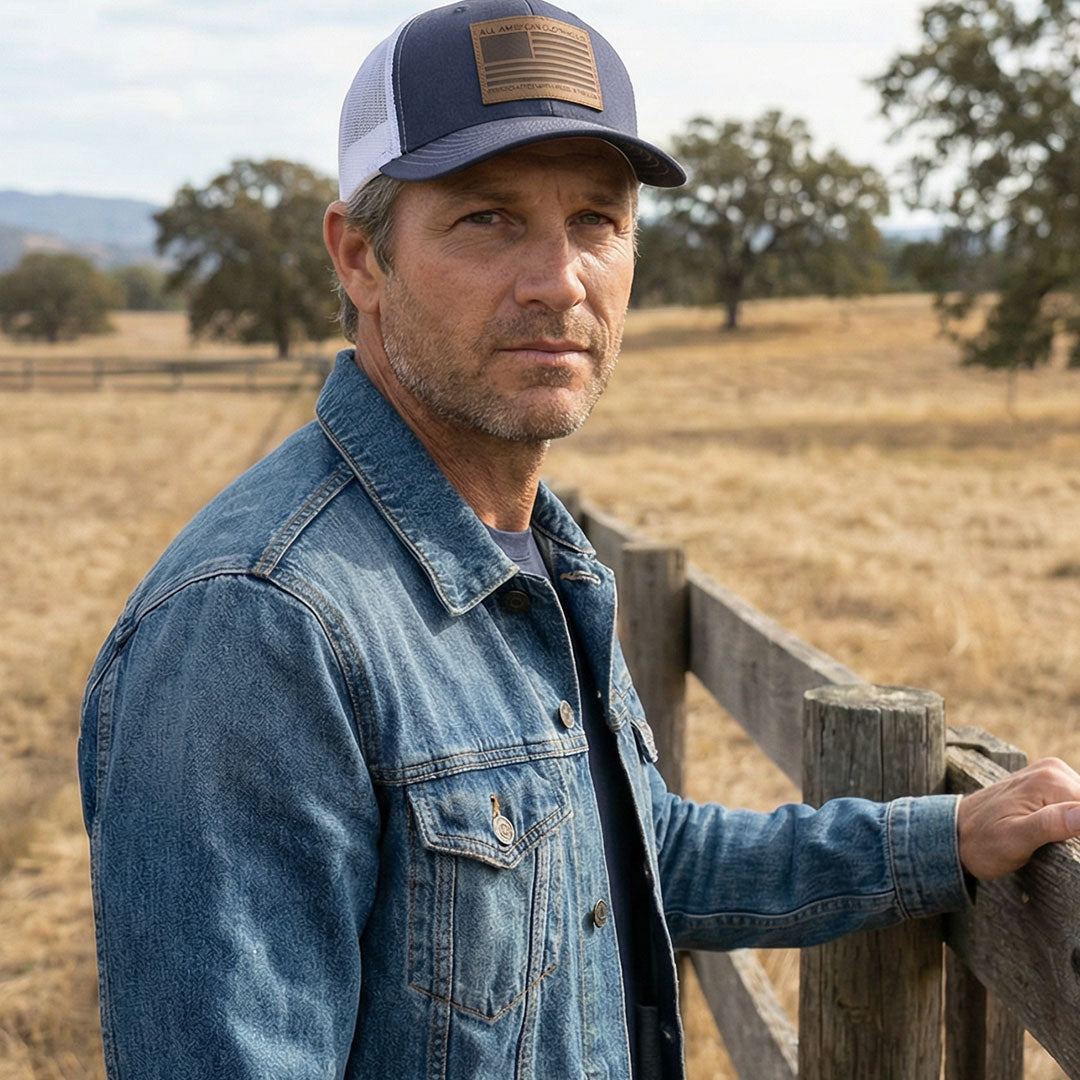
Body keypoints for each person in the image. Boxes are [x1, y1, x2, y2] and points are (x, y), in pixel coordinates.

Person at [77, 2, 1080, 1078]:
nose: (559, 280)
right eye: (487, 219)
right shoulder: (258, 626)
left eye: (597, 219)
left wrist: (937, 841)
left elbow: (637, 860)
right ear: (361, 257)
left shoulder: (537, 557)